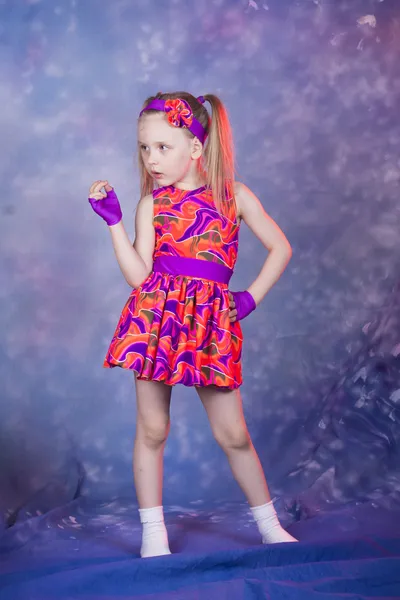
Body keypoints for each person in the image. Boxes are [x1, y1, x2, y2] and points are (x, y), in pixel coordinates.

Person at [88, 92, 298, 558]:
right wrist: (114, 224)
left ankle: (269, 526)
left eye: (163, 147)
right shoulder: (152, 204)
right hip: (157, 320)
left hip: (209, 325)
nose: (151, 158)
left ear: (197, 149)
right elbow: (140, 278)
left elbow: (281, 247)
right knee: (153, 429)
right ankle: (154, 535)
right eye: (144, 148)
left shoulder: (234, 198)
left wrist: (249, 298)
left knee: (233, 434)